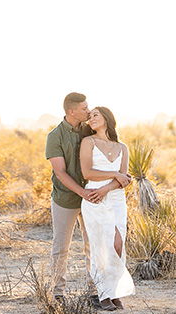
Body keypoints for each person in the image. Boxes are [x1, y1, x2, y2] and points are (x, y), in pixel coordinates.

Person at [45, 92, 124, 300]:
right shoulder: (55, 136)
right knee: (61, 246)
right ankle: (57, 293)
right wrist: (82, 193)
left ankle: (95, 291)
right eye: (84, 109)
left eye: (89, 109)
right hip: (66, 199)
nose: (89, 112)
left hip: (95, 199)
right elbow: (60, 172)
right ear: (72, 112)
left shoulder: (90, 129)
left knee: (95, 245)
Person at [80, 106, 135, 310]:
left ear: (106, 118)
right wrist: (110, 180)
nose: (91, 118)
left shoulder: (122, 147)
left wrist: (108, 187)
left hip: (116, 198)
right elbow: (87, 172)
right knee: (100, 245)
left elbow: (124, 178)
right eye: (89, 117)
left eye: (95, 115)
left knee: (118, 244)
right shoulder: (89, 142)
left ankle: (114, 291)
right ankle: (103, 294)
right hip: (94, 198)